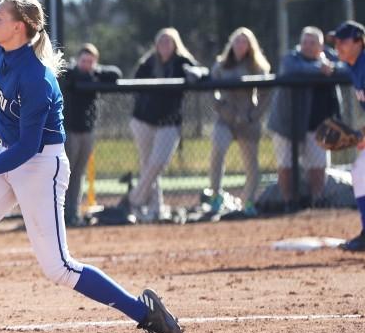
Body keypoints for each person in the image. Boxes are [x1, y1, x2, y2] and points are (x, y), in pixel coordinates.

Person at [0, 0, 183, 333]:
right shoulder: (3, 55)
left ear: (19, 27)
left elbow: (30, 147)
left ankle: (145, 313)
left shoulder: (38, 78)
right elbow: (3, 115)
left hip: (42, 166)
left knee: (58, 267)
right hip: (10, 158)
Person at [124, 28, 201, 222]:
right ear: (156, 45)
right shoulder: (148, 62)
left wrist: (195, 73)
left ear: (176, 44)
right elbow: (134, 85)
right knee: (147, 164)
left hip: (169, 123)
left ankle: (134, 199)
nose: (164, 45)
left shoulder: (182, 62)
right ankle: (155, 209)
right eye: (161, 41)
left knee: (157, 163)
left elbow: (200, 72)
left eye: (169, 41)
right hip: (143, 120)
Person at [266, 27, 342, 211]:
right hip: (288, 125)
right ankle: (288, 202)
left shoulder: (330, 59)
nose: (307, 46)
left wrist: (328, 67)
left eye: (312, 42)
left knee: (317, 166)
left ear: (321, 46)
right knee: (286, 166)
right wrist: (320, 68)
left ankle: (318, 200)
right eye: (305, 42)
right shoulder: (291, 59)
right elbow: (294, 70)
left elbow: (342, 67)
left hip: (318, 125)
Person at [207, 27, 272, 216]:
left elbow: (266, 93)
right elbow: (212, 93)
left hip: (248, 119)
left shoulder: (258, 66)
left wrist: (253, 115)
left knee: (251, 162)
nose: (240, 45)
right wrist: (225, 111)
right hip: (225, 118)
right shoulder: (220, 65)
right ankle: (215, 196)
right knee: (218, 150)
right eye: (237, 41)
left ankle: (249, 201)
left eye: (244, 41)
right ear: (231, 44)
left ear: (251, 46)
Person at [59, 44, 121, 225]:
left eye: (90, 62)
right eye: (83, 61)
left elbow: (116, 74)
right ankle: (62, 211)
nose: (86, 65)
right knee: (66, 172)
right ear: (77, 60)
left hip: (87, 131)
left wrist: (95, 71)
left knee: (78, 173)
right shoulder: (70, 74)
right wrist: (85, 74)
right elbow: (67, 74)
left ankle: (73, 211)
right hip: (70, 130)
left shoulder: (95, 74)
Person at [332, 21, 365, 251]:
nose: (338, 46)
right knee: (360, 171)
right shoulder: (353, 65)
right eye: (336, 41)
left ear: (359, 41)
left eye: (343, 41)